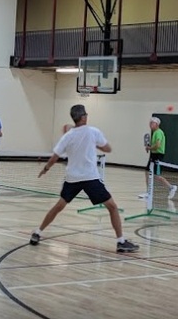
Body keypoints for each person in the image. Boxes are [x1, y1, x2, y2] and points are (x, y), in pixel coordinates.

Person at [30, 104, 139, 253]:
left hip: (72, 178)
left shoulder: (67, 136)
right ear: (83, 117)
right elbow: (108, 148)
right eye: (86, 115)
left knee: (58, 207)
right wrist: (96, 145)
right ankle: (120, 242)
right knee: (112, 207)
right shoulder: (93, 132)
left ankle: (37, 232)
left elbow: (54, 157)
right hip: (90, 178)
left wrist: (46, 169)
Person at [138, 117, 177, 200]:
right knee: (147, 173)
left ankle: (171, 187)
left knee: (156, 175)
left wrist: (149, 148)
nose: (150, 124)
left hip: (158, 155)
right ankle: (148, 192)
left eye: (152, 123)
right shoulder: (155, 133)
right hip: (154, 155)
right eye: (150, 123)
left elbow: (158, 145)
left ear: (157, 124)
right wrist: (150, 148)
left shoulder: (158, 132)